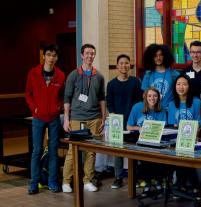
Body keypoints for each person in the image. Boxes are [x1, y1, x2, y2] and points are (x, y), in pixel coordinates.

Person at [62, 44, 106, 193]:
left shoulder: (99, 76)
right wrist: (67, 119)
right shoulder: (73, 75)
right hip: (77, 118)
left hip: (94, 118)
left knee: (91, 151)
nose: (89, 56)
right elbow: (67, 98)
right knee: (72, 150)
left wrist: (103, 117)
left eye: (92, 54)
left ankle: (87, 180)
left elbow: (102, 98)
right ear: (82, 55)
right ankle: (66, 181)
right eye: (87, 53)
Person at [25, 44, 65, 194]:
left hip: (54, 118)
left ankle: (52, 181)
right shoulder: (33, 73)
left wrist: (58, 107)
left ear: (56, 58)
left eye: (54, 55)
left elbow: (62, 95)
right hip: (38, 117)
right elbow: (28, 94)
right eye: (48, 55)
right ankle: (34, 182)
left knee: (54, 150)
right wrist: (34, 108)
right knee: (37, 150)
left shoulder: (60, 75)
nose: (51, 58)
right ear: (44, 56)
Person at [106, 54, 142, 189]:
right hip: (118, 123)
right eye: (121, 63)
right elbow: (109, 103)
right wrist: (114, 117)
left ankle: (137, 177)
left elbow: (139, 102)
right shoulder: (111, 84)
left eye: (126, 63)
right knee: (118, 151)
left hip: (133, 122)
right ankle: (118, 177)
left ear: (130, 66)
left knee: (135, 150)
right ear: (117, 66)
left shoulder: (135, 82)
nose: (124, 65)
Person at [141, 44, 179, 109]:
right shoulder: (148, 75)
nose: (158, 58)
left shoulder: (174, 74)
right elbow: (145, 95)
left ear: (165, 56)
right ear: (151, 57)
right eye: (155, 56)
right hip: (153, 111)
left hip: (168, 111)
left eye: (160, 55)